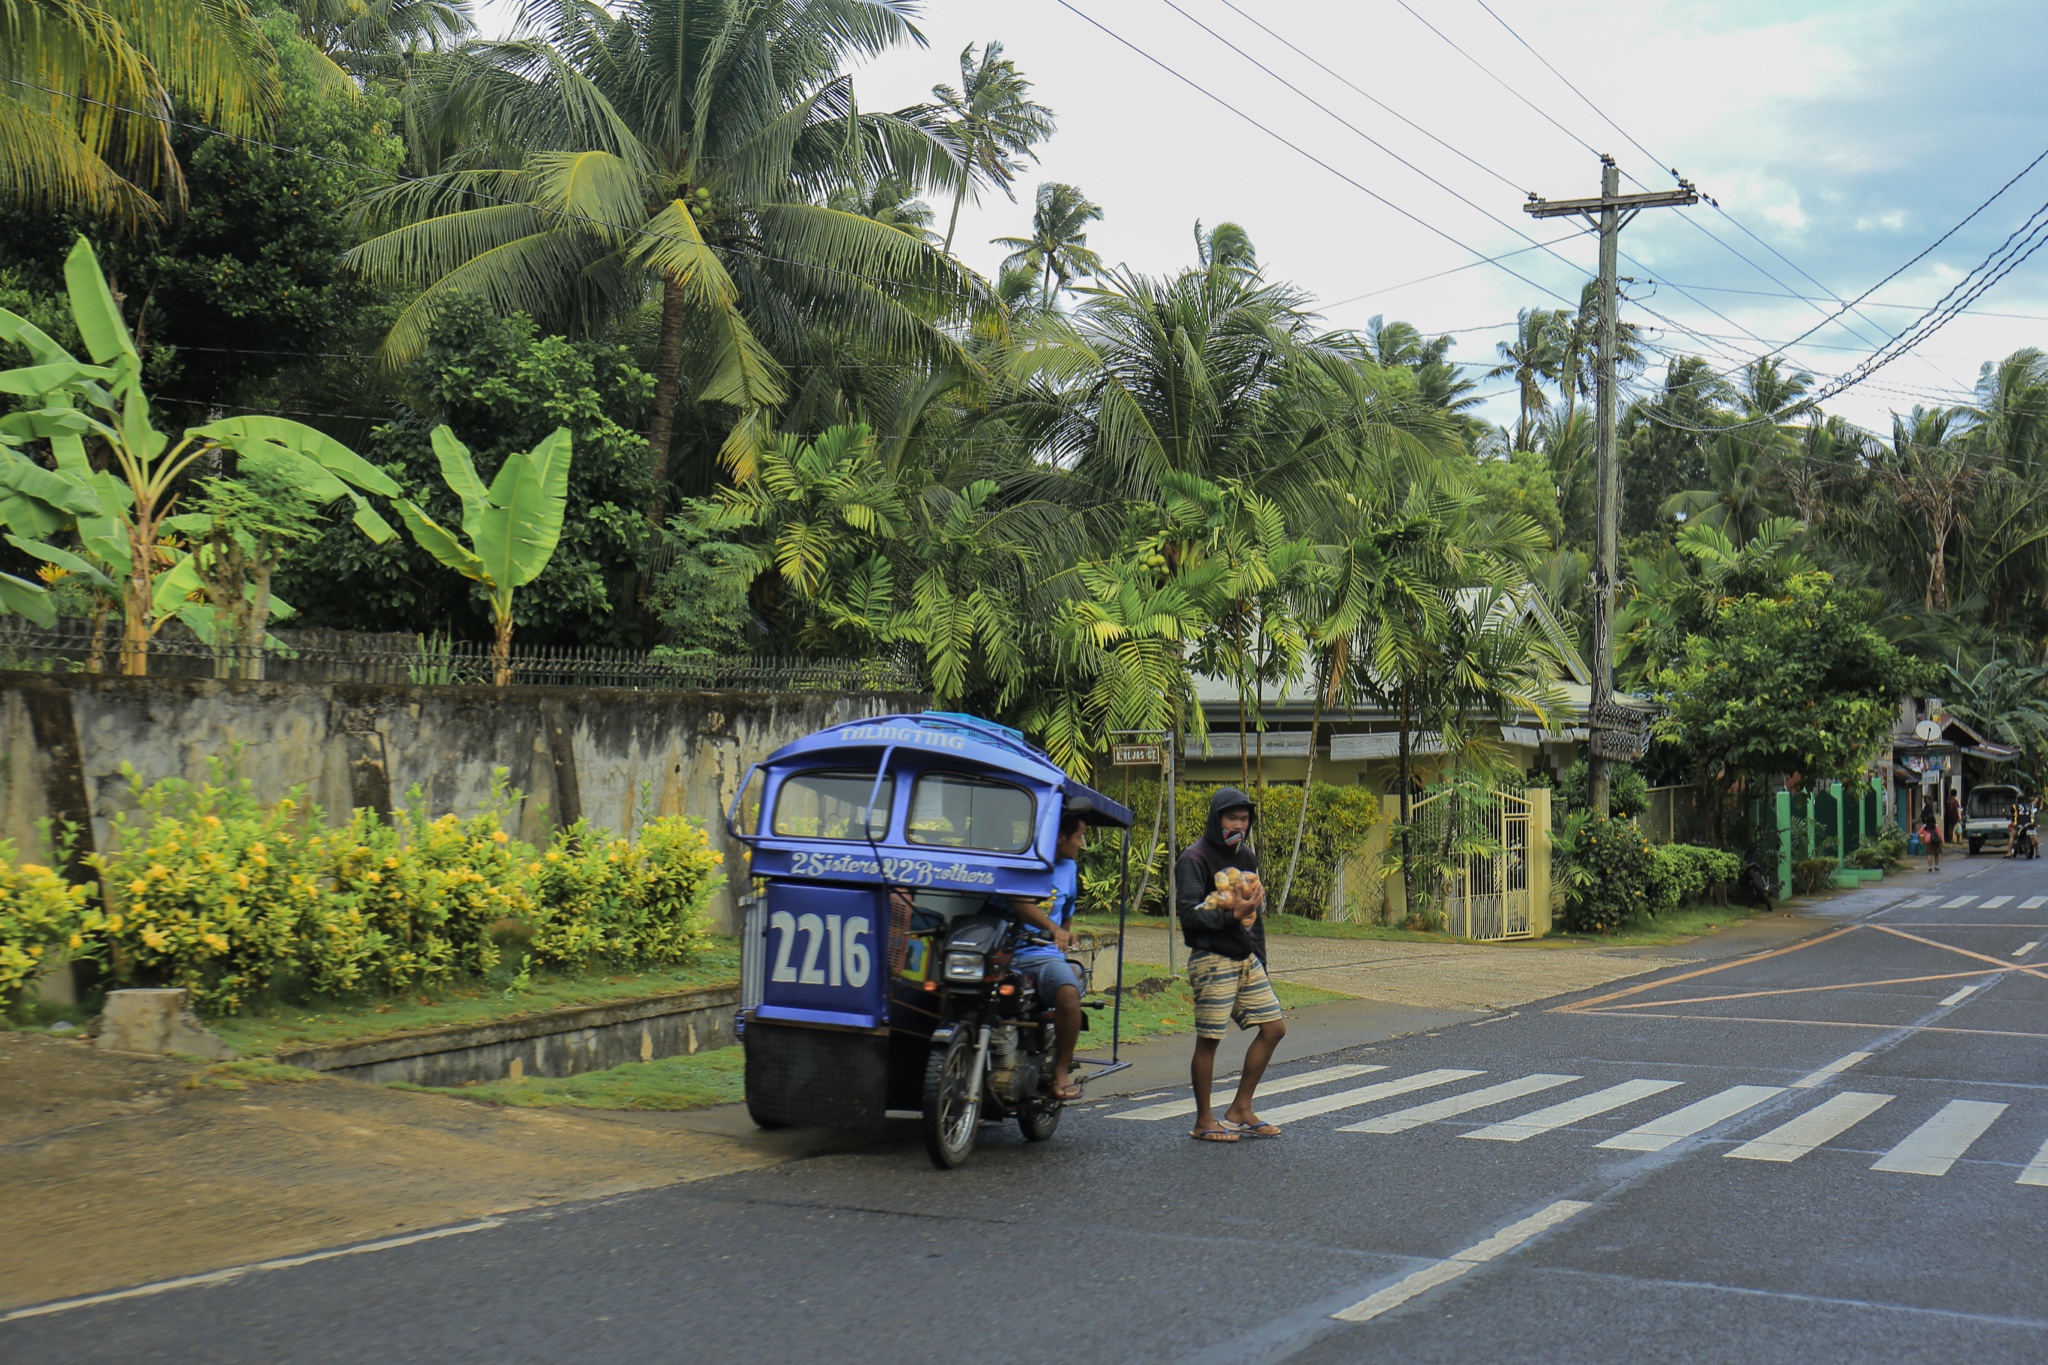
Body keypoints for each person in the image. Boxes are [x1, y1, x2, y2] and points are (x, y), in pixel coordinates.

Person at [1176, 787, 1286, 1143]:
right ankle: (1203, 1121)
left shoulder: (1246, 857)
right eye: (1231, 818)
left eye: (1244, 819)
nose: (1238, 825)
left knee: (1274, 1028)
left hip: (1245, 958)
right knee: (1209, 1040)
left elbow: (1255, 915)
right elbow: (1189, 916)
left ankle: (1240, 1108)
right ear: (1215, 818)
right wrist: (1230, 916)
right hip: (1212, 959)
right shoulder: (1194, 859)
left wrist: (1261, 959)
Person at [1010, 810, 1089, 1102]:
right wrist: (1055, 929)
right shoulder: (1022, 858)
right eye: (1079, 836)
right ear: (1059, 837)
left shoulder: (1069, 868)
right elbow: (1020, 901)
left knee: (1069, 993)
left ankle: (1061, 1070)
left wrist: (1062, 939)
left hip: (1041, 956)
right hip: (1001, 949)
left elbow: (1067, 911)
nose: (1082, 844)